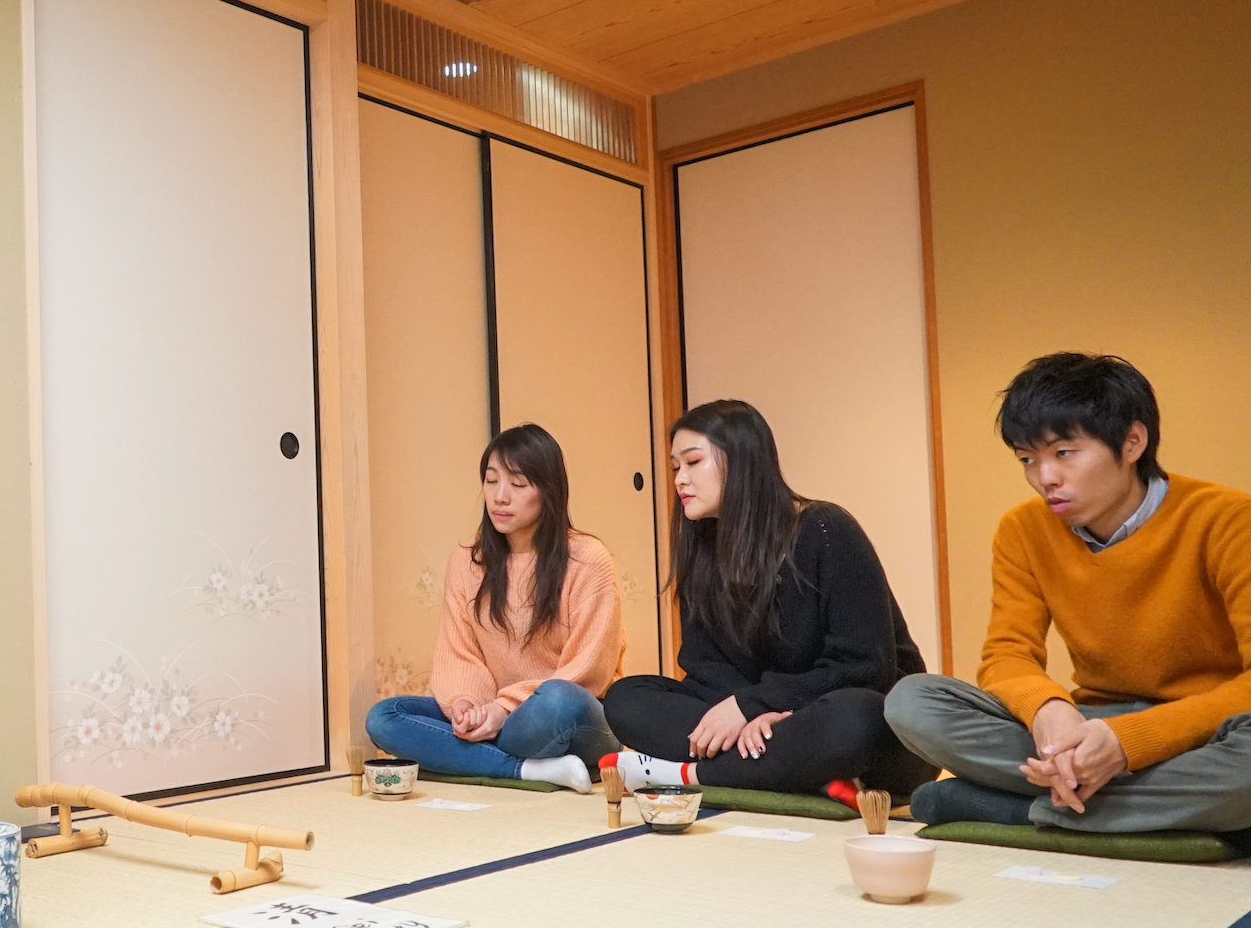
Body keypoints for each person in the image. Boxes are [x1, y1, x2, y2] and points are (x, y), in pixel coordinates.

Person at [886, 353, 1251, 832]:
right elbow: (1007, 655)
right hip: (1086, 722)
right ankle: (1152, 807)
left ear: (1132, 442)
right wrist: (1049, 713)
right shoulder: (1023, 531)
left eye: (1064, 453)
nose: (1045, 478)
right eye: (1027, 460)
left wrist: (1127, 743)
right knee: (913, 702)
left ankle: (1019, 809)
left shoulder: (1227, 519)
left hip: (1203, 727)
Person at [601, 399, 932, 798]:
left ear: (742, 462)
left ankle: (687, 775)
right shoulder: (703, 548)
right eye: (675, 468)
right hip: (765, 726)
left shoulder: (825, 530)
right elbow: (706, 669)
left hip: (858, 721)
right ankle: (800, 775)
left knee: (853, 718)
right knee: (626, 698)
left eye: (693, 462)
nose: (679, 480)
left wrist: (756, 707)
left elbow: (865, 666)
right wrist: (746, 709)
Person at [364, 424, 624, 792]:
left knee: (556, 700)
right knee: (385, 717)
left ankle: (480, 759)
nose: (500, 497)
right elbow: (459, 652)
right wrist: (467, 706)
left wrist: (503, 709)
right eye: (491, 481)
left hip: (566, 718)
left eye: (518, 485)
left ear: (549, 491)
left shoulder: (587, 559)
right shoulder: (468, 559)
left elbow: (588, 669)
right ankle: (528, 770)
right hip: (496, 716)